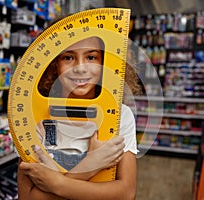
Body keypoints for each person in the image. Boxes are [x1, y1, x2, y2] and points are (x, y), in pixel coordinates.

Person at [17, 33, 142, 200]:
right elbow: (27, 198)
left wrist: (55, 183)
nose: (80, 68)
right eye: (68, 57)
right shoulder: (33, 115)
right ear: (53, 64)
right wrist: (91, 165)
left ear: (106, 63)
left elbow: (126, 193)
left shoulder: (121, 115)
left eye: (91, 57)